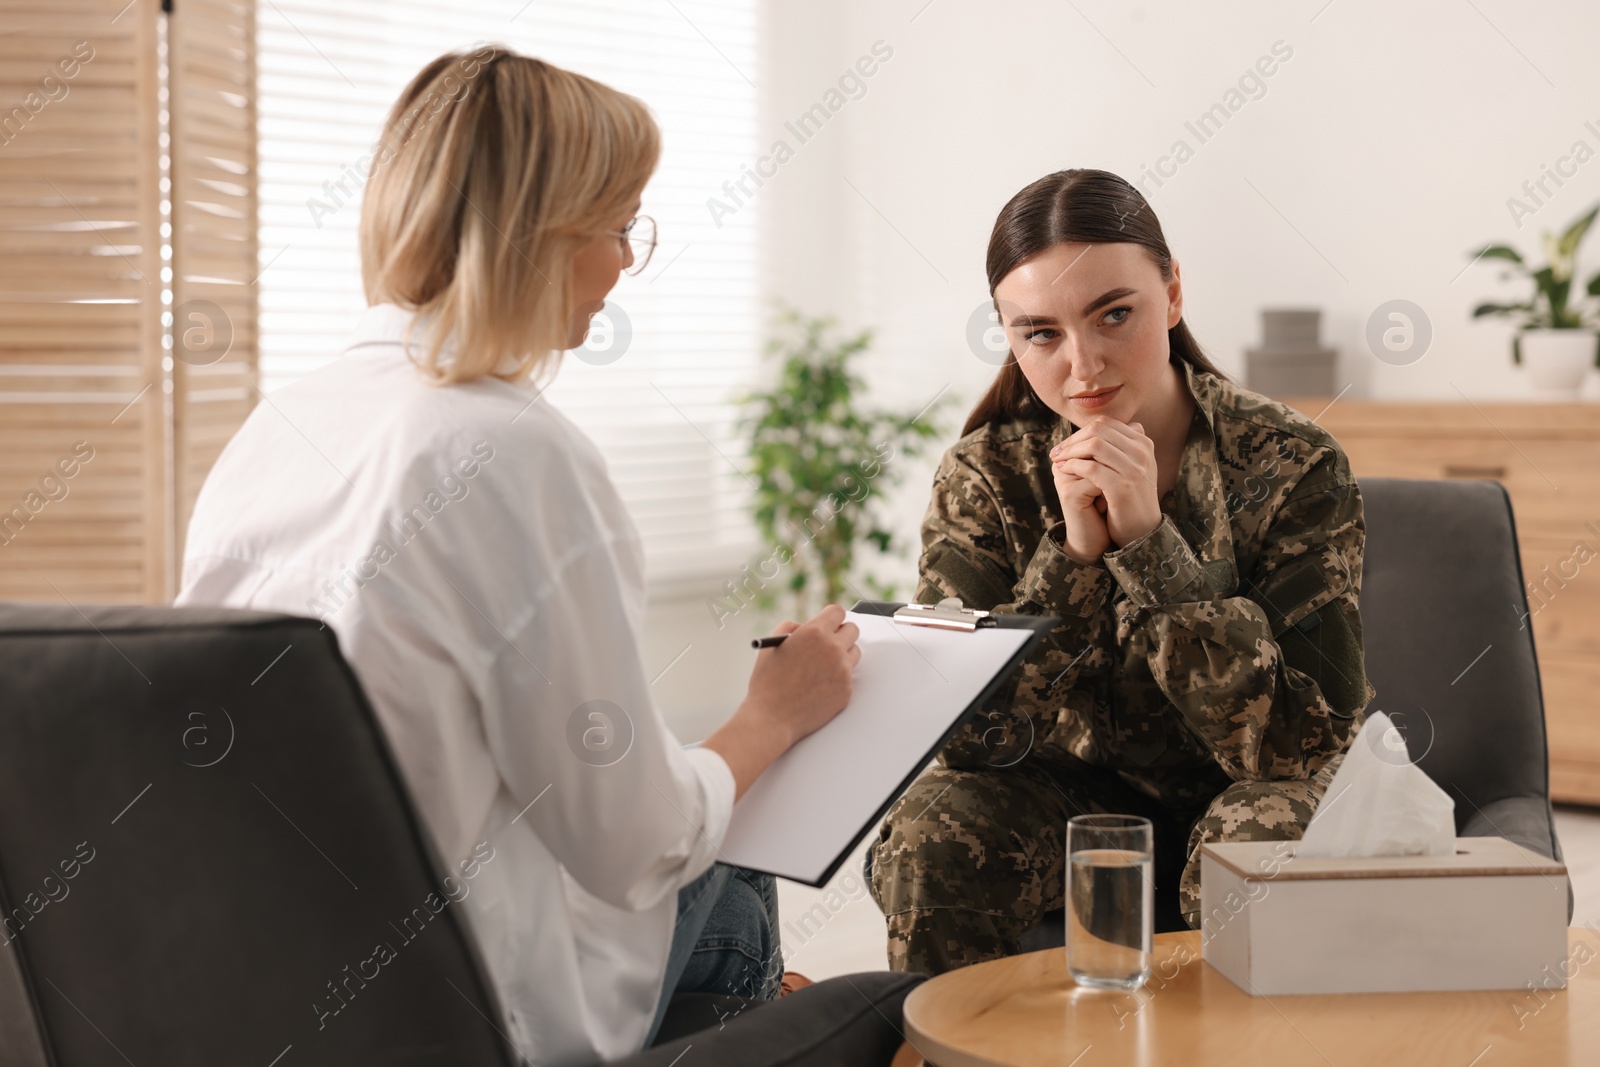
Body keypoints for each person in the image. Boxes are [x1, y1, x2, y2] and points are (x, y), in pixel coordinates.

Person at [176, 48, 861, 1063]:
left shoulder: (279, 425)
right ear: (540, 231)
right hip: (475, 1012)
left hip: (278, 993)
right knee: (736, 855)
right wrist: (771, 714)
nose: (628, 261)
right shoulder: (508, 447)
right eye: (621, 223)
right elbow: (637, 847)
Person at [866, 168, 1376, 975]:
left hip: (1248, 790)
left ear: (1172, 295)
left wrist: (1151, 548)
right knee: (934, 827)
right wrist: (1072, 559)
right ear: (1009, 337)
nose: (1084, 364)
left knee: (1261, 839)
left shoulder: (1294, 464)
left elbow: (1299, 745)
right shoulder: (985, 476)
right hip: (1068, 801)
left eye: (1114, 314)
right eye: (1041, 333)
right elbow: (965, 740)